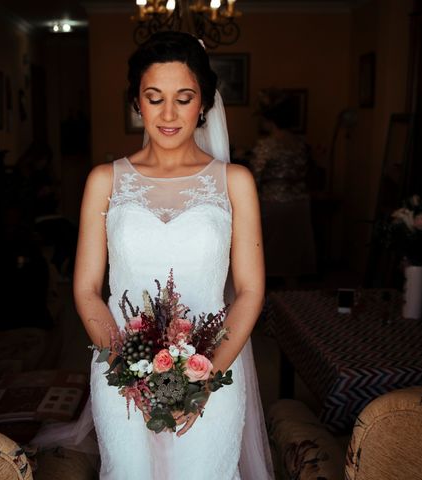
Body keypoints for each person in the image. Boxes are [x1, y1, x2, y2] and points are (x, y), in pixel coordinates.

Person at [32, 32, 273, 479]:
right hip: (120, 374)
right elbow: (86, 289)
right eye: (154, 97)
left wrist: (204, 378)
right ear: (136, 102)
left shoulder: (234, 181)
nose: (168, 114)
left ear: (203, 103)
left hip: (214, 372)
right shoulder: (104, 180)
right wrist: (128, 371)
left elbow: (251, 290)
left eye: (183, 98)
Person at [249, 88, 317, 285]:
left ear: (270, 120)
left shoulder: (266, 145)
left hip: (273, 202)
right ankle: (293, 294)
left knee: (267, 248)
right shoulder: (300, 143)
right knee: (293, 249)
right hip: (299, 202)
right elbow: (307, 170)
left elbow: (255, 175)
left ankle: (264, 292)